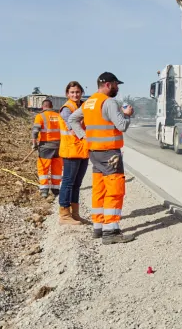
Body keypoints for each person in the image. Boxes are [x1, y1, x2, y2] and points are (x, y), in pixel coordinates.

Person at [68, 72, 135, 244]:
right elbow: (121, 126)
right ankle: (110, 232)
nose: (117, 87)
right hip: (110, 153)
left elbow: (73, 120)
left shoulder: (89, 102)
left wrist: (83, 136)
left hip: (95, 153)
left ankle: (98, 227)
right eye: (115, 84)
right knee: (114, 190)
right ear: (107, 84)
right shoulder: (109, 102)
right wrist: (127, 114)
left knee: (99, 190)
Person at [57, 81, 88, 226]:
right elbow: (73, 127)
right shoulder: (67, 109)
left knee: (77, 184)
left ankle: (75, 214)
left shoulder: (83, 106)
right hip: (71, 151)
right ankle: (64, 215)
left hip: (82, 151)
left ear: (81, 92)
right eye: (72, 92)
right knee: (68, 183)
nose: (75, 95)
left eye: (77, 92)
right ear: (67, 94)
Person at [32, 99, 62, 198]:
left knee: (43, 168)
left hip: (45, 146)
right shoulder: (58, 116)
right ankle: (55, 189)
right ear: (51, 106)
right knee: (57, 168)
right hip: (58, 146)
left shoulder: (40, 116)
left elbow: (35, 131)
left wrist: (34, 144)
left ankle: (44, 190)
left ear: (43, 106)